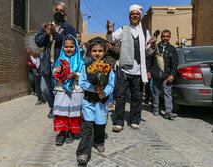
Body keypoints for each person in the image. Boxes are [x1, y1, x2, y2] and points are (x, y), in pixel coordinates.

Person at [106, 4, 156, 131]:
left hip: (138, 70)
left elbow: (148, 51)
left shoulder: (145, 32)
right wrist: (110, 31)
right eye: (132, 14)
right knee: (121, 96)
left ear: (140, 16)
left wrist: (152, 45)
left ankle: (134, 120)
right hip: (124, 69)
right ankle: (118, 121)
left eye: (137, 14)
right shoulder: (123, 29)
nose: (135, 16)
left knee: (137, 96)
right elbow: (111, 39)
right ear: (129, 16)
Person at [76, 37, 115, 165]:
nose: (97, 53)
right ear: (90, 51)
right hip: (88, 101)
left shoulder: (108, 68)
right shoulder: (86, 67)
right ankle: (84, 151)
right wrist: (94, 89)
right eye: (94, 51)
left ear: (105, 52)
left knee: (100, 123)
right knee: (87, 125)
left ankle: (99, 141)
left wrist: (104, 92)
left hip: (102, 102)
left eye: (100, 51)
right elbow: (82, 82)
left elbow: (111, 84)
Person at [35, 2, 76, 118]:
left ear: (65, 14)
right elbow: (38, 42)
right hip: (47, 64)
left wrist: (56, 34)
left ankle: (60, 112)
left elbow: (71, 43)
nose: (59, 12)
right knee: (44, 89)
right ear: (53, 12)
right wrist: (46, 34)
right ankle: (53, 107)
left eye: (61, 11)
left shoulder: (69, 28)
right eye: (57, 10)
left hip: (61, 65)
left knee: (60, 91)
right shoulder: (46, 27)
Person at [53, 35, 84, 146]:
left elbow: (83, 75)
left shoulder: (80, 60)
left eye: (71, 46)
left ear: (75, 47)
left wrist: (76, 75)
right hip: (62, 89)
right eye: (66, 47)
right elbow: (54, 73)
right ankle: (62, 132)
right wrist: (57, 70)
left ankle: (71, 131)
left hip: (75, 89)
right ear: (63, 47)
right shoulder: (59, 60)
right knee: (62, 113)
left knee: (73, 113)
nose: (69, 49)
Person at [147, 30, 178, 119]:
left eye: (167, 36)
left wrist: (172, 74)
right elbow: (149, 60)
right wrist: (149, 71)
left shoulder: (172, 49)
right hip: (156, 74)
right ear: (161, 37)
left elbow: (174, 63)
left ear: (169, 37)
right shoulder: (156, 47)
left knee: (167, 93)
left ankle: (168, 112)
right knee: (156, 92)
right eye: (164, 36)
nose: (165, 38)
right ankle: (156, 108)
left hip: (166, 75)